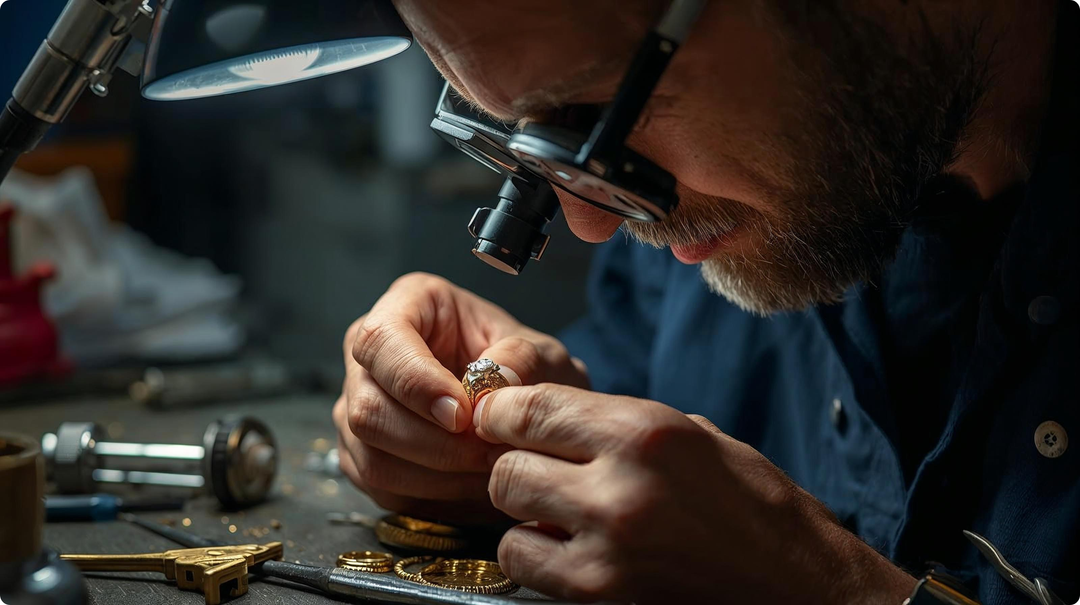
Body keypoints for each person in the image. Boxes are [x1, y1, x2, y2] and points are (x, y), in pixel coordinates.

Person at [332, 1, 1079, 602]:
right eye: (529, 136)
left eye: (601, 110)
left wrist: (832, 589)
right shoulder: (720, 208)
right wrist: (529, 460)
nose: (592, 223)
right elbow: (641, 430)